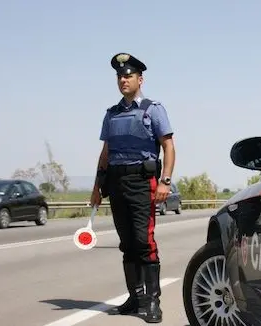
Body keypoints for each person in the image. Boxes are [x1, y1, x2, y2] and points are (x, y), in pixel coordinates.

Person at [90, 52, 176, 323]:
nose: (123, 80)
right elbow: (106, 153)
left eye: (128, 76)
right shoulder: (112, 114)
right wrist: (96, 187)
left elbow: (169, 146)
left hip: (143, 181)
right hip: (116, 182)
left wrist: (165, 181)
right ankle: (135, 297)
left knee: (144, 241)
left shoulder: (153, 109)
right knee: (127, 243)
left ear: (140, 79)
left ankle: (152, 302)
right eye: (119, 76)